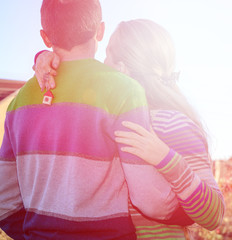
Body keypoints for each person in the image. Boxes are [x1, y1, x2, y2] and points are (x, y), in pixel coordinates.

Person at [33, 18, 225, 239]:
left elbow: (214, 215)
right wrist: (46, 58)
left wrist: (166, 158)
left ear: (122, 69)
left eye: (108, 56)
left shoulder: (173, 124)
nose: (101, 64)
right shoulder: (108, 119)